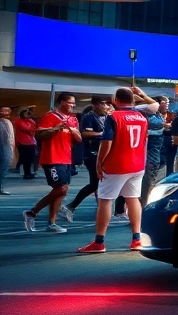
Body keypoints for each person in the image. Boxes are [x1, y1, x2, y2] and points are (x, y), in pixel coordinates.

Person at [77, 88, 150, 254]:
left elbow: (106, 142)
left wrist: (99, 163)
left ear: (116, 100)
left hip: (117, 165)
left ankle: (99, 241)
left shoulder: (114, 117)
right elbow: (144, 140)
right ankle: (136, 239)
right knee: (133, 199)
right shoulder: (142, 117)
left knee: (105, 200)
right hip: (137, 164)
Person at [23, 92, 79, 233]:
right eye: (70, 102)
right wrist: (55, 129)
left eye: (74, 103)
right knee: (61, 189)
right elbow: (39, 134)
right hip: (52, 157)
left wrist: (73, 131)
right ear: (61, 102)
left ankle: (51, 223)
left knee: (61, 191)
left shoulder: (73, 118)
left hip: (66, 157)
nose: (73, 105)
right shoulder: (50, 116)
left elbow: (78, 139)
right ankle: (32, 211)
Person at [141, 96, 168, 208]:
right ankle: (142, 208)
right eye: (164, 102)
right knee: (146, 185)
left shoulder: (157, 116)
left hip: (156, 156)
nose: (166, 104)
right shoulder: (151, 117)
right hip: (148, 157)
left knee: (150, 184)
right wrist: (163, 127)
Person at [15, 107, 38, 179]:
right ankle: (26, 173)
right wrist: (31, 125)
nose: (28, 115)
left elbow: (35, 127)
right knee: (26, 159)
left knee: (30, 159)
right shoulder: (19, 121)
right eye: (26, 113)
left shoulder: (28, 121)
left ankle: (28, 173)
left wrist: (30, 119)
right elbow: (28, 129)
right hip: (23, 142)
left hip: (30, 142)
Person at [0, 107, 14, 195]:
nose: (5, 112)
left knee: (4, 168)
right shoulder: (3, 123)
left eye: (7, 111)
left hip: (6, 147)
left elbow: (10, 138)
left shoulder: (8, 122)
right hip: (3, 147)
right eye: (3, 110)